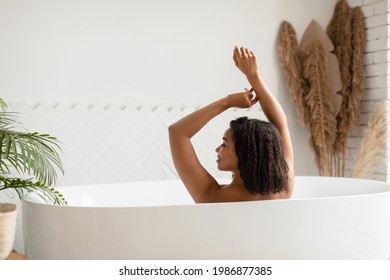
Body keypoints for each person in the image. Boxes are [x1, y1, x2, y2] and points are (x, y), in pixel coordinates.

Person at [168, 46, 294, 203]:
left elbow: (177, 132)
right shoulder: (283, 190)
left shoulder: (211, 196)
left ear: (244, 154)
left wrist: (227, 102)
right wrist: (254, 77)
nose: (217, 149)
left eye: (224, 144)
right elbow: (280, 125)